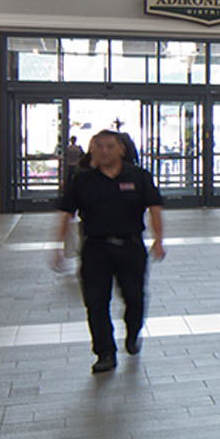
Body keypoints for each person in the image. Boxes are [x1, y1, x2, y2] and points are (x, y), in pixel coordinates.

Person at [51, 130, 166, 374]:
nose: (105, 151)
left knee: (135, 297)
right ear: (92, 151)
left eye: (110, 146)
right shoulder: (82, 181)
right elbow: (66, 214)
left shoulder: (139, 176)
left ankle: (133, 333)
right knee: (95, 302)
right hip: (95, 248)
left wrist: (158, 240)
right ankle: (105, 353)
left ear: (121, 149)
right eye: (99, 146)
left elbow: (155, 208)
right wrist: (58, 247)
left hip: (131, 247)